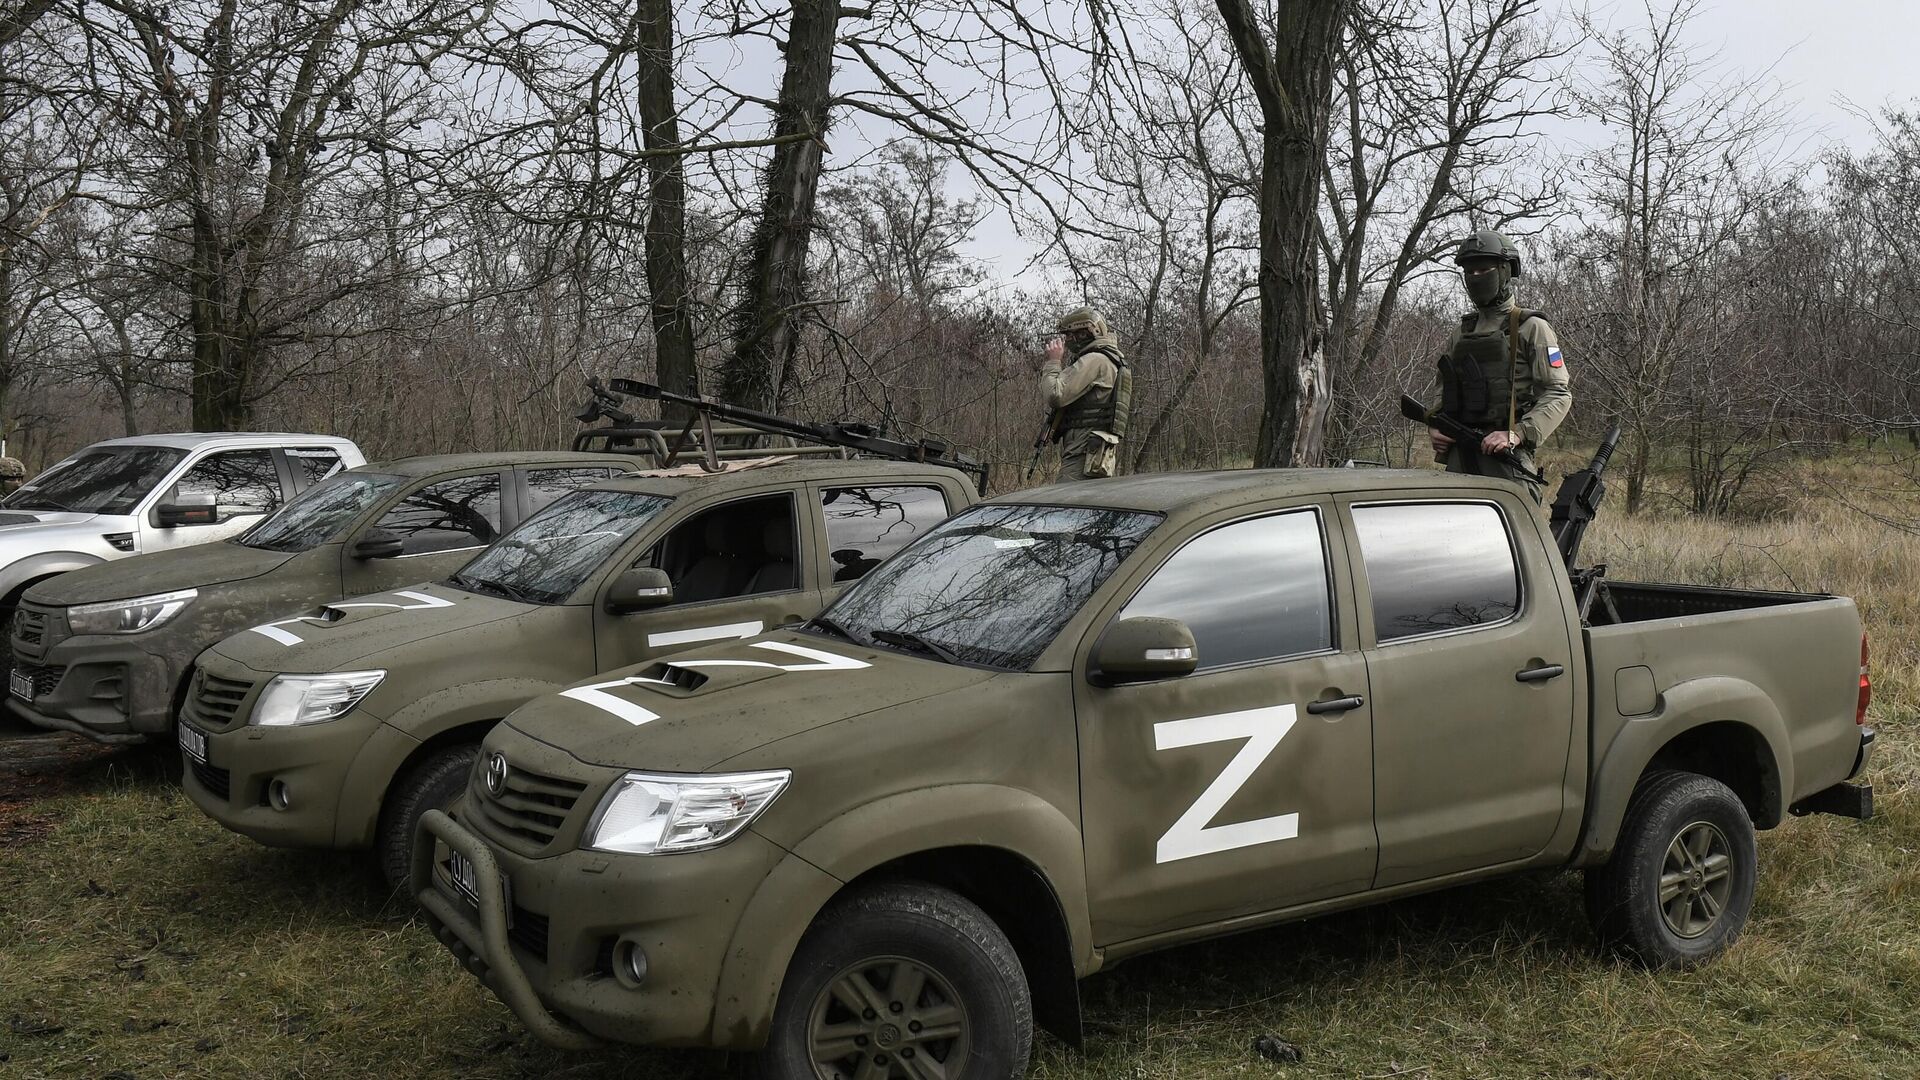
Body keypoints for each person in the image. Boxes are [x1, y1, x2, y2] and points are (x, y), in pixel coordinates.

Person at [1430, 229, 1572, 499]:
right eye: (1469, 272)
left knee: (1512, 536)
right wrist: (1436, 426)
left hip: (1505, 457)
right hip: (1460, 457)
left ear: (1505, 271)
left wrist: (1517, 434)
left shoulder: (1532, 328)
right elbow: (1443, 389)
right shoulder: (1461, 333)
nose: (1475, 278)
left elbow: (1558, 394)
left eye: (1483, 270)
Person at [1036, 307, 1131, 482]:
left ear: (1086, 333)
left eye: (1070, 335)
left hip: (1082, 452)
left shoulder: (1095, 359)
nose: (1067, 341)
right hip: (1095, 454)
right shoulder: (1111, 359)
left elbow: (1056, 395)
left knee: (1064, 505)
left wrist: (1053, 362)